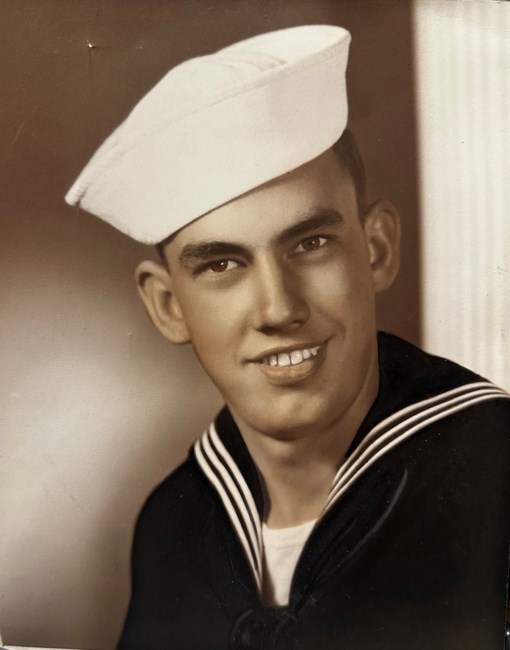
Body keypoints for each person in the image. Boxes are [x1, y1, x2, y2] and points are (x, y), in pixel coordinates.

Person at [65, 25, 510, 650]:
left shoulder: (494, 471)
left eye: (310, 243)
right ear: (168, 306)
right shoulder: (175, 526)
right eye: (222, 265)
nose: (278, 309)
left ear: (377, 249)